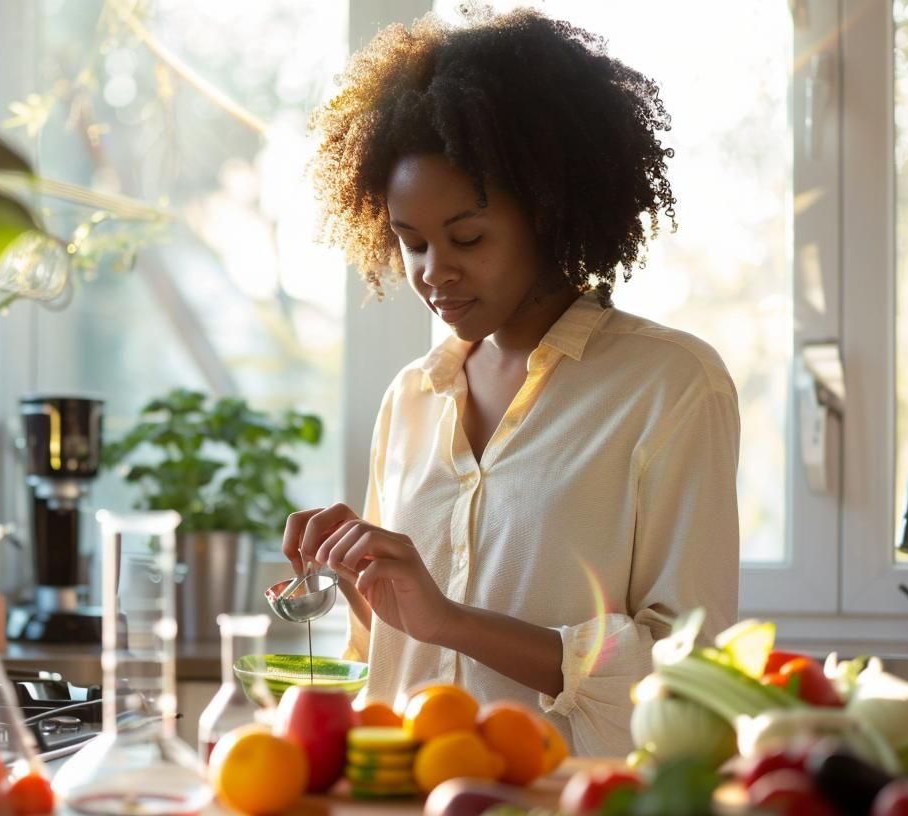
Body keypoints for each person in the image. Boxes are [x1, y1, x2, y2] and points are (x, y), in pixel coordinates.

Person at [282, 7, 740, 757]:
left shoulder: (669, 386)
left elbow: (692, 674)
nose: (435, 272)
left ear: (551, 214)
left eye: (467, 237)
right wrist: (339, 575)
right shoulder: (411, 399)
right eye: (411, 241)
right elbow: (380, 663)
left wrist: (452, 620)